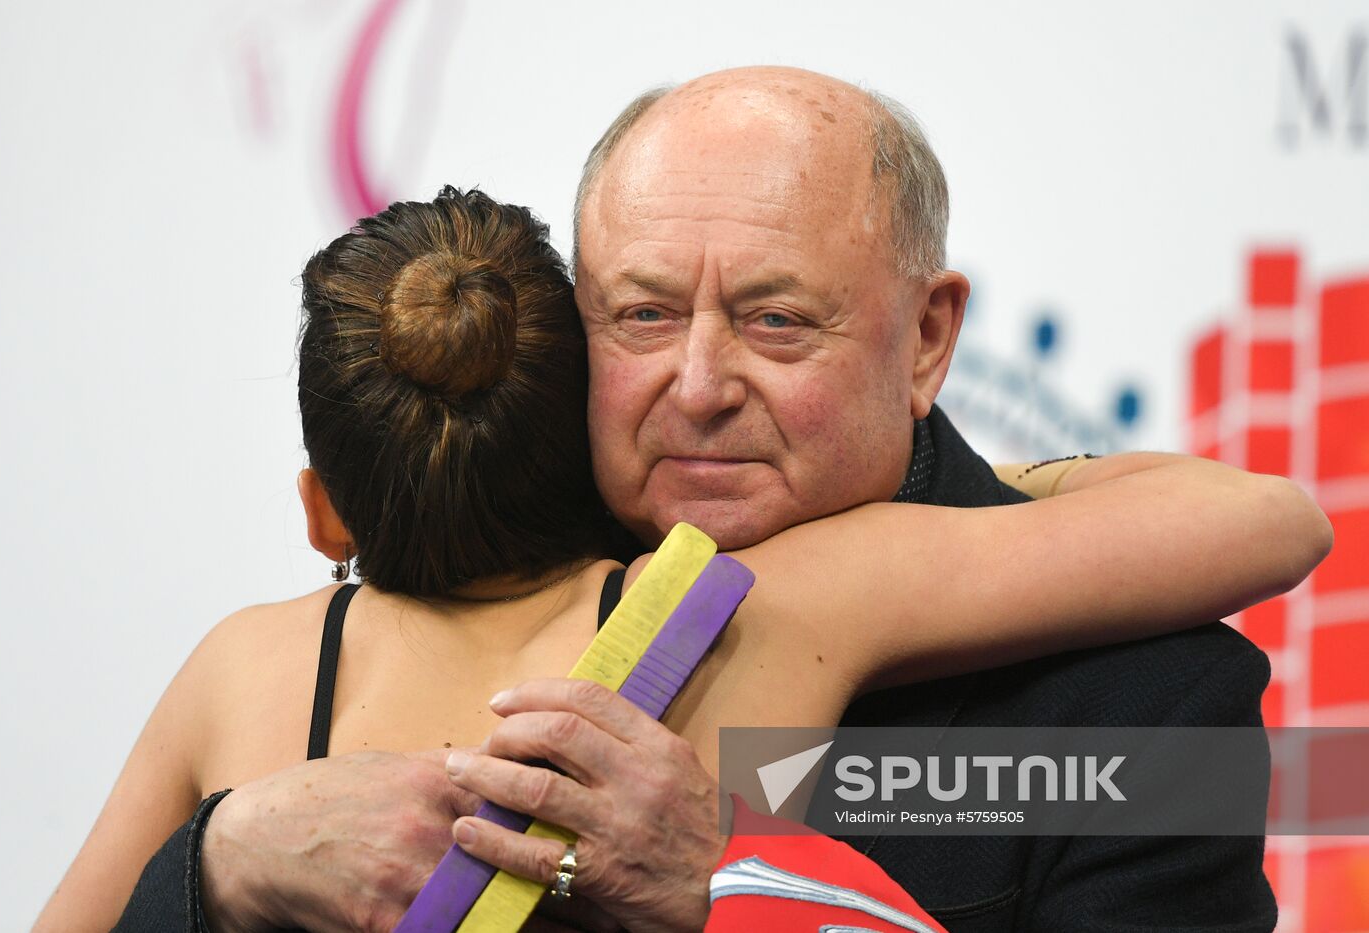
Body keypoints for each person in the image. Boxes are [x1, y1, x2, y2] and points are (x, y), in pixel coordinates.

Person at [65, 69, 1323, 933]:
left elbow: (1277, 524)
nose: (699, 386)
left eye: (777, 321)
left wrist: (741, 884)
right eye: (643, 315)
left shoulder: (1156, 708)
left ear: (928, 338)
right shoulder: (440, 571)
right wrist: (222, 863)